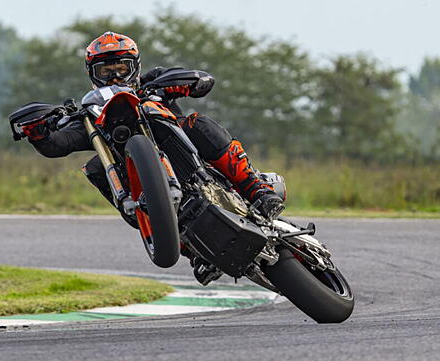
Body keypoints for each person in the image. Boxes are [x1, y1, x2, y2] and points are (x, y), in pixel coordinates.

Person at [18, 32, 284, 283]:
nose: (114, 77)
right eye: (105, 71)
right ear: (92, 74)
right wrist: (38, 133)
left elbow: (203, 80)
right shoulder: (88, 113)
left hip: (189, 155)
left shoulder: (155, 82)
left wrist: (185, 84)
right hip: (139, 177)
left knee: (198, 123)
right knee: (96, 167)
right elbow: (56, 144)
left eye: (121, 68)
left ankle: (255, 187)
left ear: (135, 66)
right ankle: (192, 250)